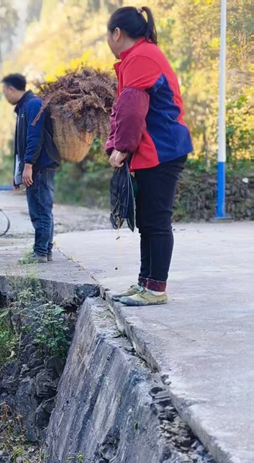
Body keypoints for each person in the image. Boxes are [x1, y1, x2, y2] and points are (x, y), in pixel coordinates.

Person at [105, 6, 193, 306]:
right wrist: (117, 145)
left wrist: (121, 147)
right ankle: (145, 282)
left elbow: (132, 110)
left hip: (163, 149)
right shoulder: (139, 55)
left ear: (117, 33)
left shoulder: (141, 57)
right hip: (153, 151)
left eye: (108, 34)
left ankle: (156, 289)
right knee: (146, 221)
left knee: (156, 220)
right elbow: (125, 110)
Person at [3, 73, 61, 264]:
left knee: (40, 210)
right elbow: (20, 145)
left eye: (5, 91)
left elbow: (34, 138)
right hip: (35, 166)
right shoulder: (24, 107)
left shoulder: (33, 104)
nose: (4, 95)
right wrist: (18, 173)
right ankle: (45, 250)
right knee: (41, 208)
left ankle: (40, 253)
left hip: (40, 166)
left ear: (11, 89)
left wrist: (28, 166)